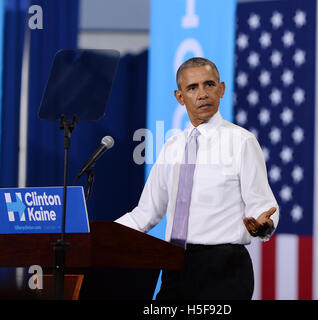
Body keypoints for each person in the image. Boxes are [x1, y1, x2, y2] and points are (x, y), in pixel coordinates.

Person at [115, 57, 279, 300]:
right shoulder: (172, 146)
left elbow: (262, 205)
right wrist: (97, 236)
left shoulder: (241, 141)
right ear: (180, 97)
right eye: (192, 88)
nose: (202, 94)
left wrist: (264, 225)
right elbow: (145, 214)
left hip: (224, 270)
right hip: (175, 267)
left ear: (221, 89)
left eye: (209, 84)